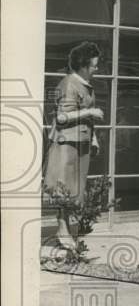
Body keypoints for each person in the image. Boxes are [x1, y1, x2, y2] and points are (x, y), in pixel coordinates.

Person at [43, 41, 103, 249]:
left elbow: (86, 118)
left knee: (74, 188)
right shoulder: (69, 83)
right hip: (67, 143)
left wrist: (93, 138)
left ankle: (66, 230)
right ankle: (62, 230)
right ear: (84, 66)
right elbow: (61, 117)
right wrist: (89, 112)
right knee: (64, 187)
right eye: (94, 65)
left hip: (80, 142)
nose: (97, 68)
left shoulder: (84, 84)